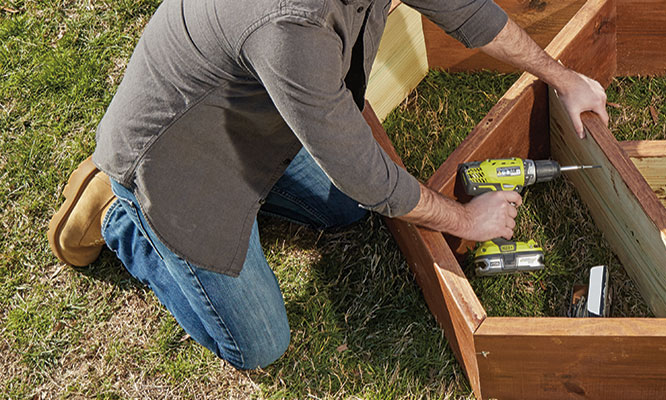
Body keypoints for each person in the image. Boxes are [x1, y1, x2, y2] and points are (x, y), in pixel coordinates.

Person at [45, 0, 608, 370]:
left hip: (255, 120)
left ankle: (248, 199)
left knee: (346, 211)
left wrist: (562, 77)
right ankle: (121, 214)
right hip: (178, 167)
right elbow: (366, 173)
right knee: (259, 346)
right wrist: (467, 220)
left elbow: (467, 10)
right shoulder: (288, 24)